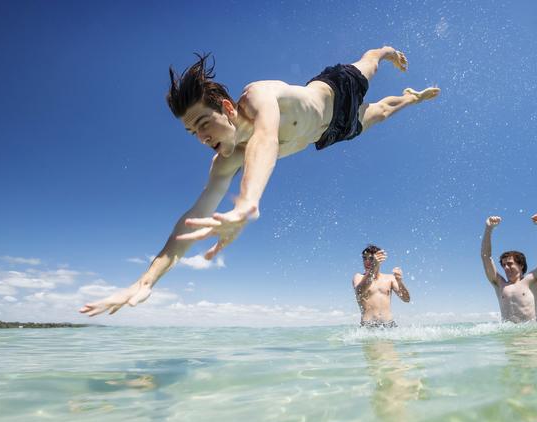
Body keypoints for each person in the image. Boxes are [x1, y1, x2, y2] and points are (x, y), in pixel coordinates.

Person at [81, 47, 439, 316]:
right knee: (382, 112)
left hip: (335, 88)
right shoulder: (225, 160)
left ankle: (385, 50)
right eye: (192, 132)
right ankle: (411, 98)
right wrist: (144, 281)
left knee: (370, 64)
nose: (201, 137)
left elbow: (265, 138)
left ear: (226, 107)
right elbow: (191, 219)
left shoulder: (257, 96)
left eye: (203, 123)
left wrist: (247, 202)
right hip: (331, 132)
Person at [481, 213, 537, 323]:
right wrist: (488, 228)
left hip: (530, 336)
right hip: (508, 337)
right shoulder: (499, 284)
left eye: (509, 264)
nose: (506, 267)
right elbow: (486, 256)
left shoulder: (532, 280)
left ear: (521, 265)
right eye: (504, 265)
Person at [353, 245, 411, 327]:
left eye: (371, 259)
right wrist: (373, 268)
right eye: (364, 258)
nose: (367, 262)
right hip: (368, 326)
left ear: (380, 260)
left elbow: (406, 299)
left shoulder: (390, 278)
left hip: (389, 325)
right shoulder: (359, 277)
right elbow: (359, 292)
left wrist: (400, 282)